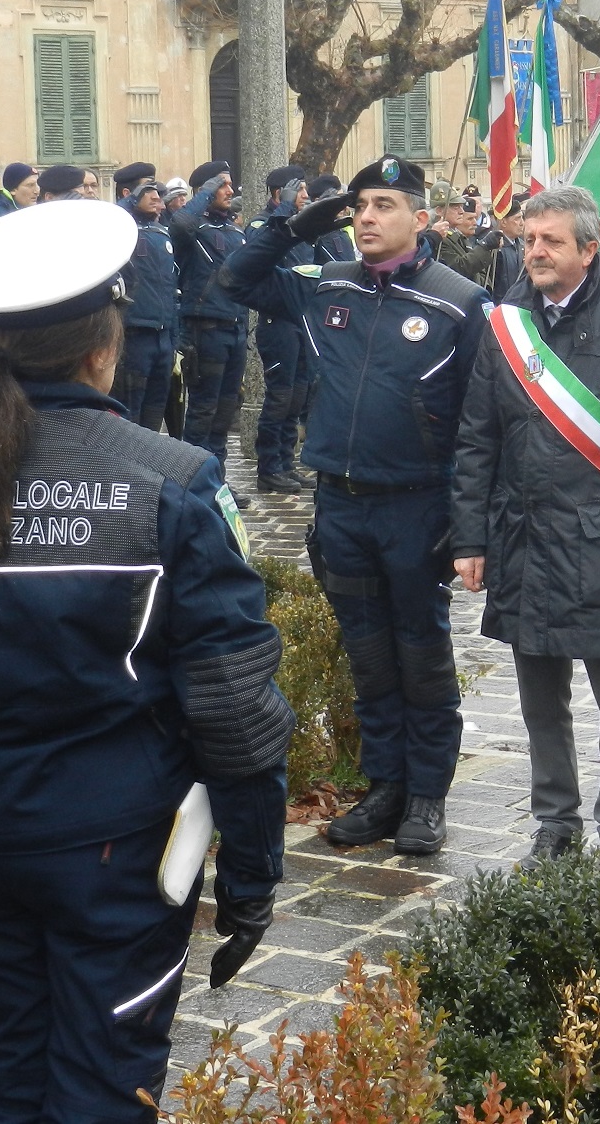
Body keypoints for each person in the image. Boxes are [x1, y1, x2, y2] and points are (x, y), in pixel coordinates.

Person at [0, 199, 290, 1123]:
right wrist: (252, 871)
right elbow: (233, 702)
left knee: (18, 1070)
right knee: (102, 1085)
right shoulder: (170, 478)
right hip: (113, 848)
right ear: (104, 344)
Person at [223, 155, 489, 855]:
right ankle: (384, 788)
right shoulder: (326, 285)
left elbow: (480, 424)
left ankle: (427, 794)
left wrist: (469, 526)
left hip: (417, 508)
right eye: (360, 206)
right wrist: (290, 225)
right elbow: (235, 280)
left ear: (420, 220)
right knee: (368, 655)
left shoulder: (458, 302)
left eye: (384, 206)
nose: (367, 218)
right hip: (341, 506)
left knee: (421, 653)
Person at [451, 185, 600, 868]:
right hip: (523, 543)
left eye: (551, 240)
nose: (535, 252)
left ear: (590, 248)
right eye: (529, 240)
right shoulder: (504, 326)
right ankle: (554, 827)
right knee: (540, 706)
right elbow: (477, 439)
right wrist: (470, 539)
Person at [172, 161, 251, 472]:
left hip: (235, 329)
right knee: (203, 410)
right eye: (223, 185)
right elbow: (179, 225)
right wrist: (205, 192)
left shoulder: (233, 230)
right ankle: (192, 478)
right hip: (206, 330)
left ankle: (217, 479)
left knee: (225, 410)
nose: (230, 191)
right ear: (205, 190)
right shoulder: (194, 227)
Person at [246, 166, 315, 494]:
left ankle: (286, 463)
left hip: (301, 321)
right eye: (299, 190)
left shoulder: (298, 230)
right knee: (280, 398)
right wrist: (284, 211)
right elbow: (257, 253)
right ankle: (268, 467)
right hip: (277, 323)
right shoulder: (263, 224)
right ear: (280, 193)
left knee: (297, 395)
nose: (306, 196)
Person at [110, 169, 178, 431]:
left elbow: (172, 288)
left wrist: (173, 340)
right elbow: (112, 218)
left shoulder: (162, 232)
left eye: (156, 191)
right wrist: (131, 201)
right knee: (130, 413)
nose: (155, 196)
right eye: (146, 190)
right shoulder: (121, 227)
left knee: (154, 415)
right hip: (135, 335)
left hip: (162, 337)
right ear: (129, 194)